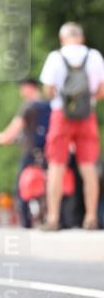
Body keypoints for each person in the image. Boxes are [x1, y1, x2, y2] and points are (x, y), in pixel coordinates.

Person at [39, 22, 104, 230]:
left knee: (56, 166)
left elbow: (48, 91)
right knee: (89, 167)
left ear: (62, 38)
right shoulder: (94, 56)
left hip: (61, 115)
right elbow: (101, 91)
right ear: (81, 38)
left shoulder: (55, 57)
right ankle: (91, 217)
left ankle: (53, 218)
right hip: (87, 115)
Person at [0, 78, 51, 228]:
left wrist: (1, 138)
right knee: (50, 183)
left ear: (28, 88)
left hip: (30, 153)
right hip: (49, 153)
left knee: (21, 187)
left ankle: (26, 222)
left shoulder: (28, 107)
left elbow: (13, 130)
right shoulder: (49, 106)